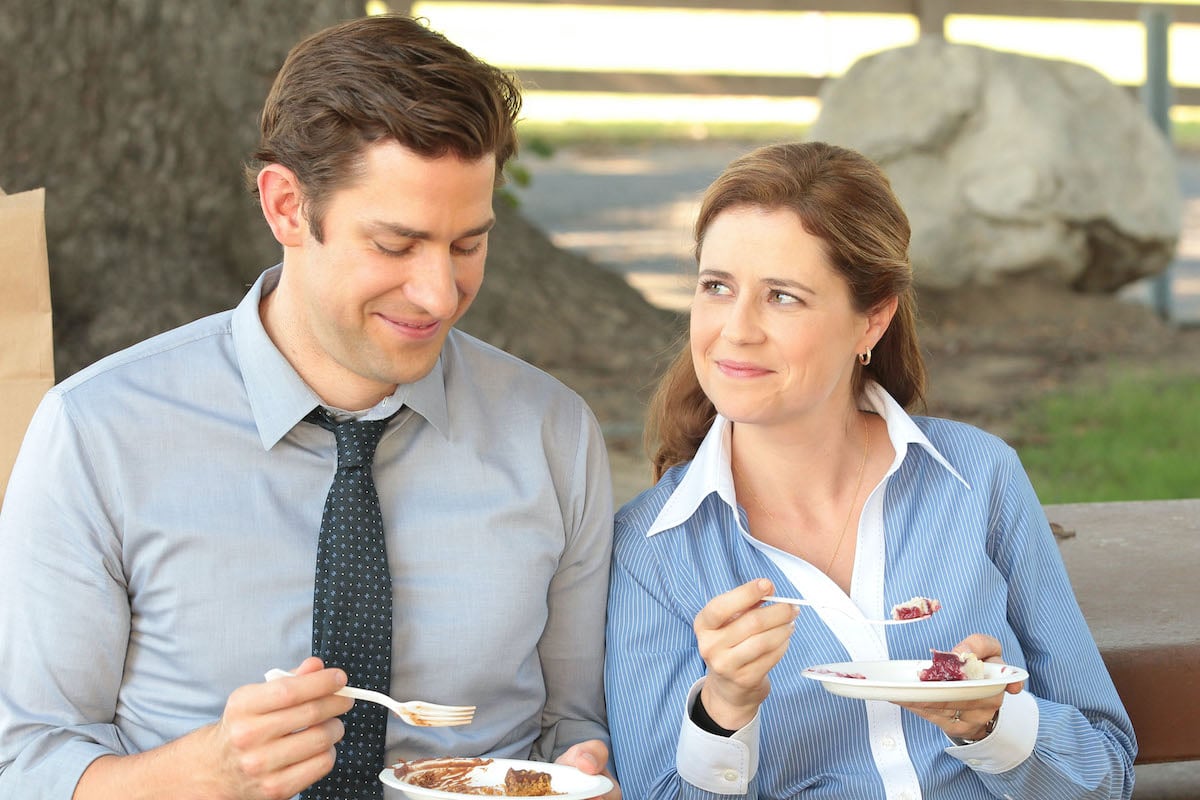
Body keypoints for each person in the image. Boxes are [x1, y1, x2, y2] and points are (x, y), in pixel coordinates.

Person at [0, 14, 619, 800]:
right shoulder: (97, 433)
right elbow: (26, 764)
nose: (439, 293)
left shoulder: (551, 434)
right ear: (287, 207)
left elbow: (576, 723)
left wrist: (583, 770)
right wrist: (210, 773)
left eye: (467, 244)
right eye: (396, 245)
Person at [603, 141, 1135, 799]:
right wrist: (723, 711)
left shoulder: (979, 479)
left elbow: (1106, 776)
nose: (735, 330)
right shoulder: (652, 548)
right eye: (717, 287)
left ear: (872, 320)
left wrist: (994, 724)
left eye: (783, 297)